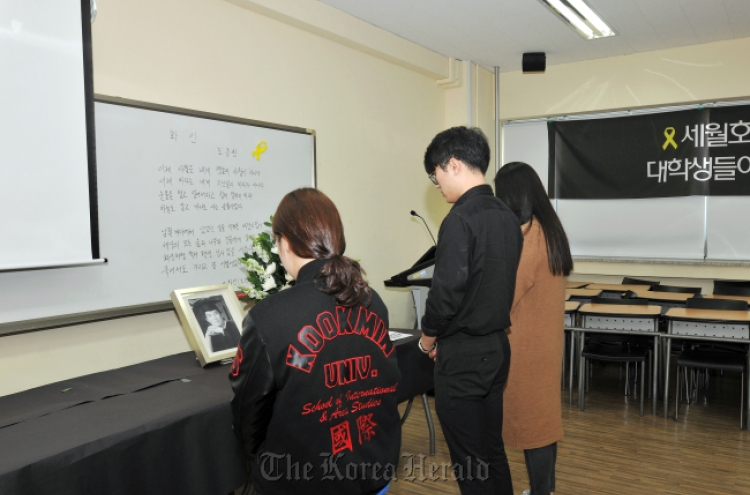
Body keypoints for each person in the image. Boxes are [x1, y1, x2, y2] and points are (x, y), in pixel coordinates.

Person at [229, 188, 401, 495]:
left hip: (303, 479)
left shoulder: (269, 316)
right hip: (373, 471)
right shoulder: (372, 302)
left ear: (284, 243)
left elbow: (249, 411)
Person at [419, 126, 523, 495]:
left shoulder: (460, 220)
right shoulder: (508, 216)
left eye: (436, 175)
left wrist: (426, 340)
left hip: (463, 355)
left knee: (470, 461)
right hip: (497, 348)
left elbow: (446, 294)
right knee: (492, 450)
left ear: (453, 164)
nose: (437, 185)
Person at [494, 162, 573, 495]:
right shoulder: (548, 229)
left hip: (527, 349)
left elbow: (505, 296)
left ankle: (542, 491)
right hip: (544, 343)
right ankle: (546, 490)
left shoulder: (530, 238)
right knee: (543, 422)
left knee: (533, 427)